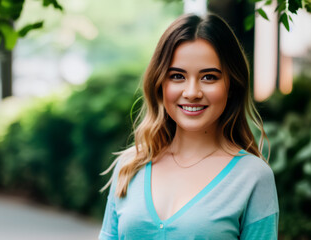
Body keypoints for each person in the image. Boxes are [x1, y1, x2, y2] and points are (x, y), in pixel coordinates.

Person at [99, 13, 279, 240]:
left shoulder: (253, 177)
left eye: (209, 77)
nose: (192, 92)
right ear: (159, 83)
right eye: (177, 76)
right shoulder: (130, 166)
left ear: (231, 85)